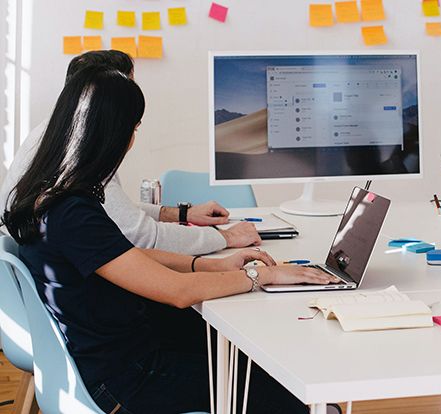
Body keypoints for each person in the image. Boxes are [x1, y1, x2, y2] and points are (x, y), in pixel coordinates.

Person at [2, 66, 333, 413]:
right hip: (127, 380)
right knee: (291, 396)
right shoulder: (72, 212)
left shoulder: (51, 195)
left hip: (120, 358)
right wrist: (261, 276)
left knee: (245, 356)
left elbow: (127, 256)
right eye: (133, 128)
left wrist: (210, 265)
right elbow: (178, 292)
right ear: (112, 134)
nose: (132, 140)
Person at [0, 50, 260, 256]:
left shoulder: (53, 136)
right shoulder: (79, 154)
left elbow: (112, 212)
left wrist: (181, 214)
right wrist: (225, 238)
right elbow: (142, 237)